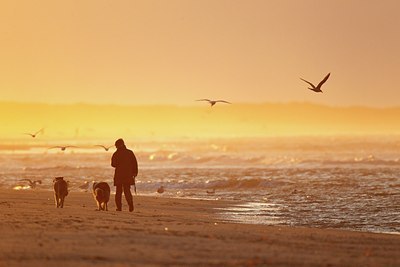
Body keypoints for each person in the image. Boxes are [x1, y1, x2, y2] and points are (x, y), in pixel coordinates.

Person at [111, 138, 138, 212]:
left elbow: (113, 164)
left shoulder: (116, 154)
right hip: (128, 175)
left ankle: (119, 208)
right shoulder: (130, 152)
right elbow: (135, 164)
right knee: (127, 191)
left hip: (119, 175)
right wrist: (135, 173)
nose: (116, 147)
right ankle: (131, 205)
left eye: (116, 146)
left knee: (118, 192)